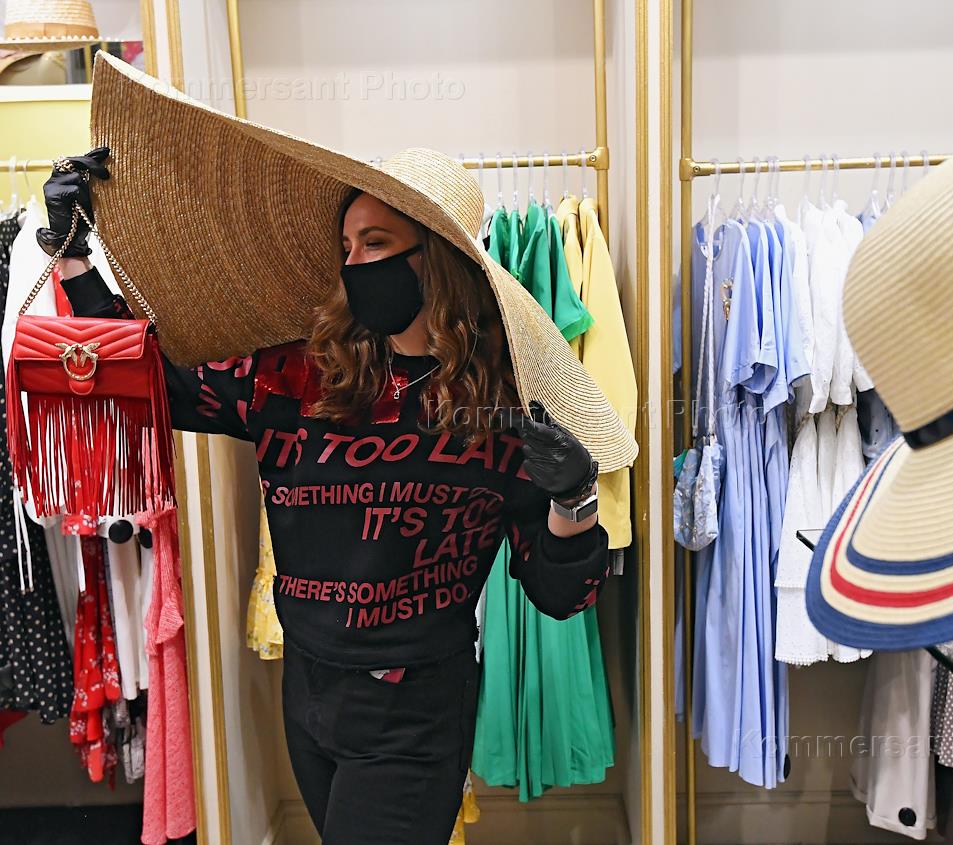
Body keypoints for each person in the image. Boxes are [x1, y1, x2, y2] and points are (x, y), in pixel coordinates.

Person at [41, 147, 612, 845]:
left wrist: (574, 499)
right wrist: (75, 257)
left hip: (414, 707)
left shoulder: (500, 405)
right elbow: (149, 380)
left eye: (376, 243)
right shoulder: (296, 377)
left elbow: (562, 594)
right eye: (347, 246)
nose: (354, 263)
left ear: (437, 259)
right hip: (308, 690)